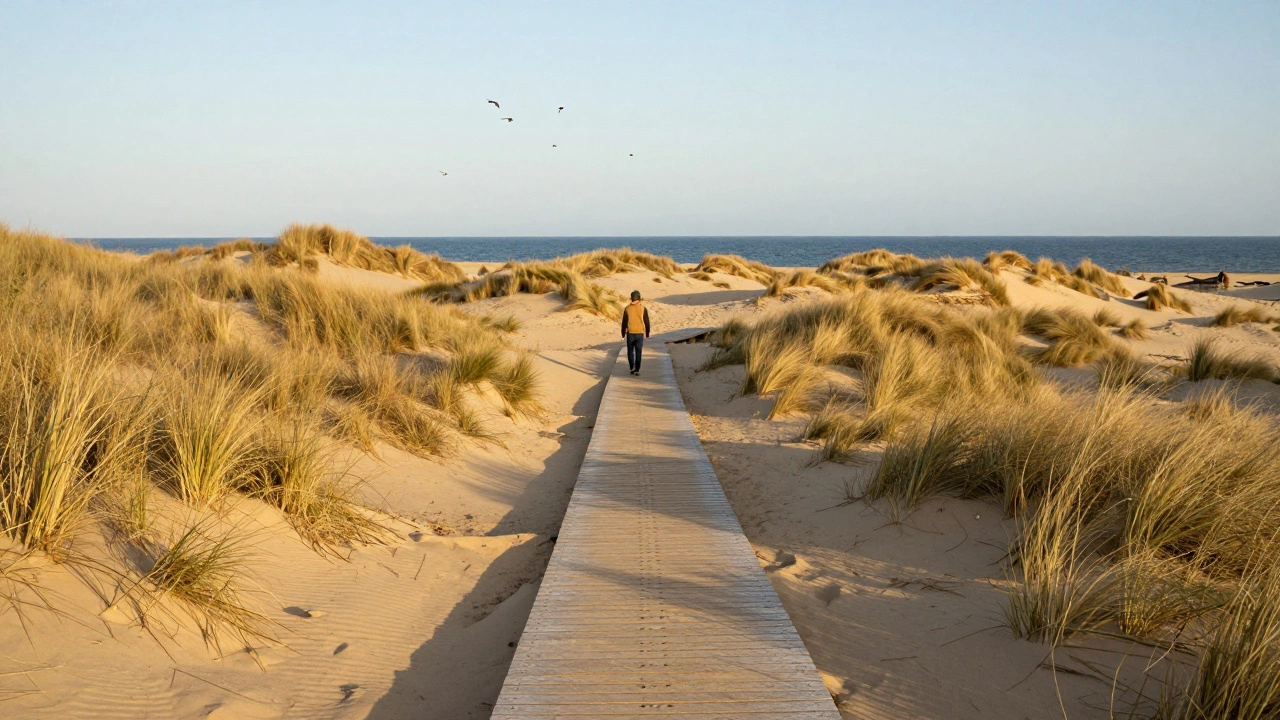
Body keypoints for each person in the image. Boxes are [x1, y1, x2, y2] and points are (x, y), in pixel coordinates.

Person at [621, 290, 650, 375]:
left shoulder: (627, 309)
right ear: (639, 299)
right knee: (638, 352)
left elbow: (624, 323)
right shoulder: (643, 308)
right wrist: (647, 333)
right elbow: (647, 322)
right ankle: (637, 369)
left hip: (630, 333)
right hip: (640, 333)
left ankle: (631, 367)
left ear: (631, 299)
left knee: (630, 351)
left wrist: (623, 334)